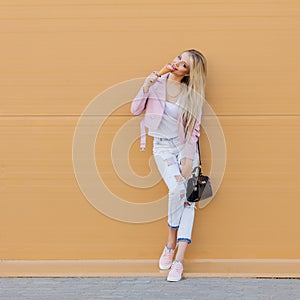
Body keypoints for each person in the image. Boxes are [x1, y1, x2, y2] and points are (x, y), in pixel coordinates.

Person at [131, 49, 207, 281]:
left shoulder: (192, 94)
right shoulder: (156, 83)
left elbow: (193, 130)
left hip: (184, 150)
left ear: (189, 73)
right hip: (162, 148)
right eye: (178, 59)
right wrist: (150, 80)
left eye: (184, 65)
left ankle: (178, 260)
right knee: (176, 190)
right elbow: (135, 110)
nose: (177, 64)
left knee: (189, 202)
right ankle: (170, 241)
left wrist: (187, 159)